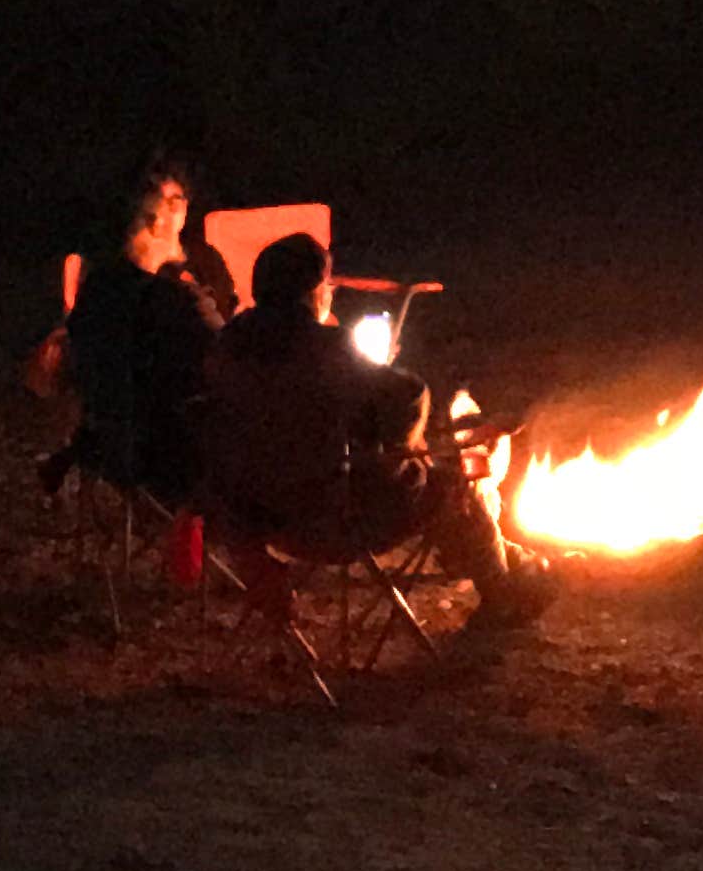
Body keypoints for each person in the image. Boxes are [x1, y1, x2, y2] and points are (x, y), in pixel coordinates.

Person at [200, 231, 543, 627]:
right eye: (327, 284)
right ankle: (503, 597)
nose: (330, 293)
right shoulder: (327, 348)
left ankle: (521, 566)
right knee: (456, 483)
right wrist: (407, 449)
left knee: (423, 476)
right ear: (314, 290)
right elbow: (409, 396)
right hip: (335, 524)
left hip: (257, 521)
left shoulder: (227, 347)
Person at [44, 154, 221, 507]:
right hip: (177, 466)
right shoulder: (175, 303)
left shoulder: (95, 292)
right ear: (157, 221)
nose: (184, 215)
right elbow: (232, 360)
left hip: (110, 458)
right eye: (178, 203)